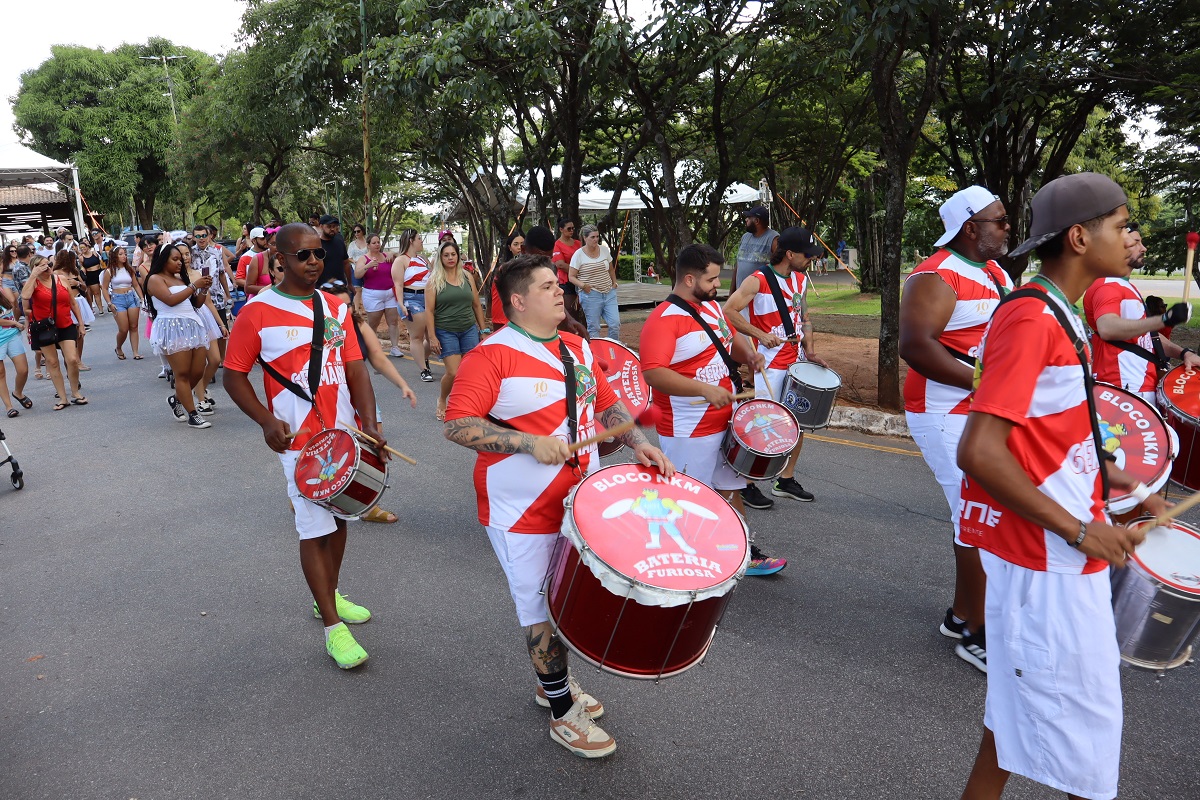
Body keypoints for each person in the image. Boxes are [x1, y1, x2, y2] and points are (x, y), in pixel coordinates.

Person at [957, 173, 1163, 800]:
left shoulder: (1062, 314)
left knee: (1011, 728)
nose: (1131, 237)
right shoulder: (1031, 318)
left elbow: (1047, 433)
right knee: (1088, 745)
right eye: (1122, 225)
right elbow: (980, 450)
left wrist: (1120, 481)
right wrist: (1080, 528)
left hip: (1057, 556)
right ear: (1079, 237)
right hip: (1048, 563)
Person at [444, 253, 673, 757]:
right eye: (547, 285)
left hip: (579, 500)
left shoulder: (576, 346)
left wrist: (638, 443)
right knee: (538, 610)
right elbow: (458, 423)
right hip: (520, 509)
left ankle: (553, 685)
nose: (559, 291)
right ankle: (561, 712)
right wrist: (527, 443)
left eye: (558, 283)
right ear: (519, 300)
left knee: (567, 597)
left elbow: (607, 402)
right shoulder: (493, 354)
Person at [224, 222, 386, 670]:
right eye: (304, 255)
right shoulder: (256, 311)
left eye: (319, 253)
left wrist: (369, 426)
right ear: (280, 258)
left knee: (341, 517)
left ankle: (327, 597)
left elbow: (355, 369)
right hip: (299, 444)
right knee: (314, 527)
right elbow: (232, 375)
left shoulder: (335, 306)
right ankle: (334, 628)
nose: (314, 262)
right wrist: (264, 420)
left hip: (345, 436)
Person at [897, 185, 1015, 674]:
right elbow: (916, 346)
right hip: (943, 410)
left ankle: (961, 615)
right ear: (971, 227)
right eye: (1000, 221)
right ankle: (977, 634)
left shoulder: (994, 272)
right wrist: (986, 382)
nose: (1007, 228)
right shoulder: (935, 275)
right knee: (978, 514)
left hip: (982, 407)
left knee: (982, 512)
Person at [639, 244, 786, 576]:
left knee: (728, 487)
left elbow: (730, 338)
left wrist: (749, 354)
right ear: (690, 279)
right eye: (712, 279)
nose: (718, 285)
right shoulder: (663, 320)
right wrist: (704, 389)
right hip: (688, 429)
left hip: (725, 420)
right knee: (689, 499)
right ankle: (681, 566)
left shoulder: (711, 309)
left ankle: (742, 551)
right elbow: (653, 372)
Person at [724, 226, 826, 509]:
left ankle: (786, 479)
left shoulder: (801, 279)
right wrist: (760, 335)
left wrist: (811, 349)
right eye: (807, 255)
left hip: (796, 359)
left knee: (799, 421)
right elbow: (729, 310)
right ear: (789, 253)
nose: (811, 259)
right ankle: (746, 483)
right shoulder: (758, 280)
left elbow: (803, 316)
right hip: (770, 363)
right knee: (765, 425)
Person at [320, 276, 417, 523]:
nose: (345, 310)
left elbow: (378, 358)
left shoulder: (358, 323)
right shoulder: (314, 327)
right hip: (327, 396)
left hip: (360, 394)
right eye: (338, 306)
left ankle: (368, 504)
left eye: (348, 305)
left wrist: (402, 384)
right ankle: (312, 494)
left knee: (373, 447)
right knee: (327, 450)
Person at [1083, 221, 1198, 404]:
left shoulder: (1127, 287)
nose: (1143, 248)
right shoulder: (1108, 285)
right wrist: (1165, 319)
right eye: (1136, 242)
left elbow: (1147, 336)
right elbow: (1107, 327)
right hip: (1123, 388)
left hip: (1139, 386)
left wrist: (1184, 353)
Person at [144, 243, 213, 428]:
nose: (180, 262)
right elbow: (171, 300)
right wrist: (194, 285)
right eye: (175, 259)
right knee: (181, 374)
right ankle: (193, 414)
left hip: (193, 326)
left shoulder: (180, 280)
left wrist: (204, 288)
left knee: (198, 371)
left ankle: (176, 399)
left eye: (180, 259)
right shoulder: (155, 279)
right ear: (162, 259)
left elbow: (196, 304)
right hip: (171, 327)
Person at [427, 240, 486, 421]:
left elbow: (476, 305)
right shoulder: (434, 281)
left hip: (468, 329)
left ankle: (467, 405)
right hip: (446, 330)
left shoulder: (467, 277)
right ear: (440, 258)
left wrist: (483, 330)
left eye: (453, 254)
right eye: (446, 255)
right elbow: (429, 311)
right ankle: (443, 399)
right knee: (453, 372)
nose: (450, 258)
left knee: (471, 371)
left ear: (458, 256)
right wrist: (432, 337)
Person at [20, 252, 88, 409]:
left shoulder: (61, 279)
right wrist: (33, 276)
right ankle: (63, 398)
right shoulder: (33, 283)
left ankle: (75, 393)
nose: (47, 268)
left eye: (48, 264)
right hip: (44, 327)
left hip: (65, 323)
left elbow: (73, 303)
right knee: (52, 362)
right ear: (35, 268)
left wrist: (81, 324)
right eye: (42, 266)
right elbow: (25, 297)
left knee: (72, 359)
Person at [392, 229, 434, 382]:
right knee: (416, 336)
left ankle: (424, 359)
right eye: (419, 238)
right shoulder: (401, 260)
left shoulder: (423, 259)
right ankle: (424, 369)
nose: (421, 241)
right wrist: (401, 304)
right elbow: (398, 285)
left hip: (428, 298)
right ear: (411, 240)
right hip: (412, 298)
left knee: (432, 337)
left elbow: (433, 276)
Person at [355, 234, 403, 357]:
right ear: (368, 245)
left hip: (390, 293)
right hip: (372, 294)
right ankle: (371, 348)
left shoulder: (386, 256)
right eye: (374, 243)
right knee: (373, 323)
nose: (377, 245)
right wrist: (368, 266)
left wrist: (393, 253)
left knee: (393, 321)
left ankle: (395, 347)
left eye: (378, 242)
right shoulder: (363, 258)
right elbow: (357, 275)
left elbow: (401, 256)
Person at [569, 224, 619, 340]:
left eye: (597, 236)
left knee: (615, 324)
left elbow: (611, 269)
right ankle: (595, 353)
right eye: (592, 237)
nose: (596, 239)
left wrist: (614, 282)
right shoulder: (578, 255)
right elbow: (571, 276)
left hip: (608, 292)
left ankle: (614, 347)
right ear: (585, 238)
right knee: (594, 327)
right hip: (591, 295)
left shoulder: (604, 250)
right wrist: (583, 285)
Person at [101, 245, 144, 360]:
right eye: (120, 254)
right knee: (123, 329)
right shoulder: (109, 271)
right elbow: (104, 288)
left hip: (131, 298)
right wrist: (109, 303)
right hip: (118, 299)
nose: (124, 256)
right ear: (115, 256)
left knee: (134, 326)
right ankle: (118, 347)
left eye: (124, 254)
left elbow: (135, 285)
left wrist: (142, 298)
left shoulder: (129, 269)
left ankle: (135, 352)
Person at [0, 284, 31, 417]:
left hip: (12, 336)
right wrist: (15, 323)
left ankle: (18, 392)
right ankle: (9, 407)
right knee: (0, 374)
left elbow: (14, 301)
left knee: (23, 370)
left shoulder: (3, 290)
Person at [486, 230, 524, 331]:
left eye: (522, 244)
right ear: (509, 248)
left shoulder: (529, 267)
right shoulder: (504, 268)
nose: (519, 247)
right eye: (516, 244)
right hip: (502, 314)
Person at [733, 206, 778, 288]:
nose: (746, 220)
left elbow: (779, 269)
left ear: (757, 221)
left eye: (749, 218)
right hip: (740, 295)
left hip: (760, 297)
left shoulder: (773, 239)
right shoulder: (745, 237)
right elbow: (738, 266)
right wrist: (731, 293)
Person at [551, 217, 584, 327]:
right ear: (561, 229)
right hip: (566, 282)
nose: (571, 231)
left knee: (583, 310)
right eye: (569, 228)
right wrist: (578, 271)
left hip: (580, 280)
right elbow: (560, 264)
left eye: (573, 229)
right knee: (569, 309)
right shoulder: (557, 245)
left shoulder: (578, 243)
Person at [317, 215, 352, 289]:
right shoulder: (316, 245)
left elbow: (346, 263)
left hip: (340, 287)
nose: (332, 229)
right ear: (321, 226)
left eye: (335, 226)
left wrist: (350, 283)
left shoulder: (339, 240)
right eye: (329, 226)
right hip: (322, 288)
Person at [245, 228, 281, 296]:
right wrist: (272, 290)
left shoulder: (289, 258)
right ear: (267, 244)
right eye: (273, 244)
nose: (278, 247)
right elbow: (248, 288)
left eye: (280, 243)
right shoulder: (257, 259)